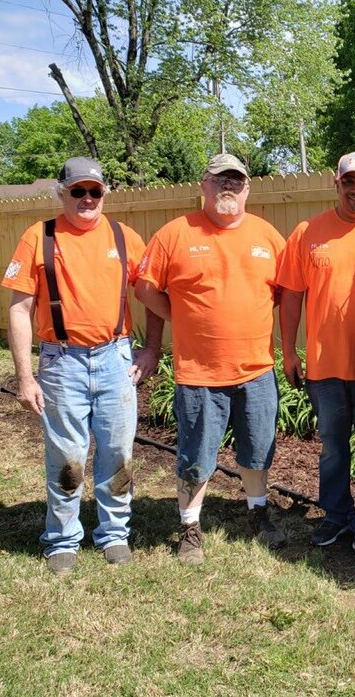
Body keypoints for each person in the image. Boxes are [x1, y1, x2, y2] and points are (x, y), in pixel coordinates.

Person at [3, 156, 162, 576]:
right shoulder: (39, 238)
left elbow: (152, 295)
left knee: (117, 452)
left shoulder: (124, 237)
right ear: (62, 193)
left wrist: (154, 349)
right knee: (67, 456)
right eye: (78, 191)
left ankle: (114, 533)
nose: (87, 199)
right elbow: (19, 310)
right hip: (61, 362)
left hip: (116, 359)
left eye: (95, 191)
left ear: (105, 194)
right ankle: (62, 538)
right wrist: (25, 376)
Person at [134, 153, 287, 564]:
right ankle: (190, 527)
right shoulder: (175, 234)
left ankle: (257, 514)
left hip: (256, 370)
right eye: (220, 180)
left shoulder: (267, 236)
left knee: (258, 452)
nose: (228, 187)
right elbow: (146, 289)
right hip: (199, 373)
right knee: (195, 455)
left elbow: (285, 292)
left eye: (236, 181)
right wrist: (180, 317)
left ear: (248, 188)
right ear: (203, 184)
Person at [277, 152, 355, 551]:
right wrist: (290, 352)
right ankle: (334, 515)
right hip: (324, 363)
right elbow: (292, 295)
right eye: (349, 181)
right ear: (337, 184)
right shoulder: (308, 232)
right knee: (332, 445)